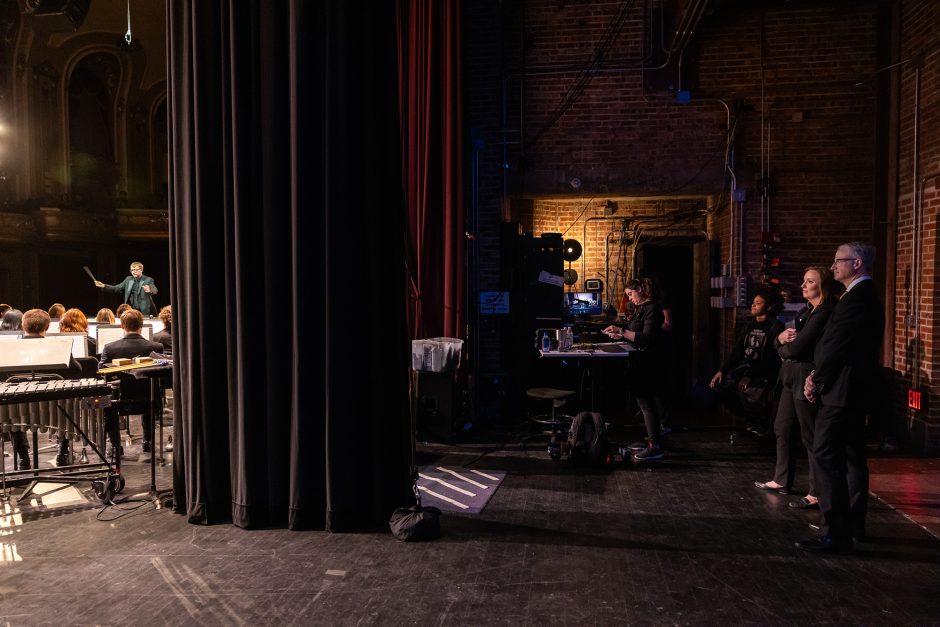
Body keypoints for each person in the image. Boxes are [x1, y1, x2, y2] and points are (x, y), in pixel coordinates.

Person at [797, 243, 885, 554]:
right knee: (851, 458)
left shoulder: (857, 300)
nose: (833, 267)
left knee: (825, 455)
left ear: (857, 264)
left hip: (842, 391)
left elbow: (836, 346)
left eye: (839, 261)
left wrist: (816, 379)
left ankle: (834, 532)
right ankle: (853, 527)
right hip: (850, 389)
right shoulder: (862, 296)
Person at [754, 267, 838, 502]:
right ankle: (782, 478)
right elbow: (786, 340)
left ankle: (817, 491)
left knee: (809, 435)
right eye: (803, 280)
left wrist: (780, 345)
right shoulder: (806, 310)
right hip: (790, 375)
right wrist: (779, 341)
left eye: (809, 281)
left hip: (805, 376)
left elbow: (798, 347)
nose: (803, 286)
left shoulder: (823, 312)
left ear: (822, 287)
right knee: (782, 427)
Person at [603, 277, 666, 461]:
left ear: (640, 289)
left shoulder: (652, 309)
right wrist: (619, 332)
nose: (629, 299)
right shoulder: (641, 309)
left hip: (650, 361)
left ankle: (655, 446)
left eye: (630, 294)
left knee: (647, 403)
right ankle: (650, 441)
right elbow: (634, 333)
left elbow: (646, 338)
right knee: (643, 403)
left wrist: (622, 332)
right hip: (641, 360)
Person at [709, 288, 785, 435]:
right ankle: (750, 419)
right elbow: (737, 351)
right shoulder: (749, 325)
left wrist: (750, 376)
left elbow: (771, 357)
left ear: (768, 307)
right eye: (753, 302)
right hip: (747, 367)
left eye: (758, 303)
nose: (753, 305)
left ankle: (761, 421)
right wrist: (722, 371)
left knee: (747, 392)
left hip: (765, 371)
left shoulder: (775, 325)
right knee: (720, 386)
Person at [19, 309, 81, 466]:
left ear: (22, 326)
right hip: (53, 405)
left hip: (20, 405)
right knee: (67, 403)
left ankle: (23, 457)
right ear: (47, 327)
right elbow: (76, 370)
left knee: (11, 407)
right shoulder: (58, 346)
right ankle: (62, 451)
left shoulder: (10, 348)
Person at [99, 309, 165, 453]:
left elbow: (101, 373)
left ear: (122, 325)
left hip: (119, 403)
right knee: (150, 389)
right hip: (150, 401)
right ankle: (148, 441)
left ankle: (116, 446)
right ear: (142, 325)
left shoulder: (110, 348)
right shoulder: (156, 347)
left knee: (107, 403)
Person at [0, 308, 29, 468]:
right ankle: (24, 458)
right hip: (14, 388)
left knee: (15, 423)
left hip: (6, 387)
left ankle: (24, 457)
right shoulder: (21, 340)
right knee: (16, 424)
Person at [94, 261, 159, 316]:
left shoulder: (148, 279)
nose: (134, 272)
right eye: (132, 270)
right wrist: (104, 286)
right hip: (131, 309)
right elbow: (117, 288)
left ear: (141, 270)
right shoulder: (128, 279)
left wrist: (149, 290)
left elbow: (155, 290)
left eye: (136, 270)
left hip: (144, 310)